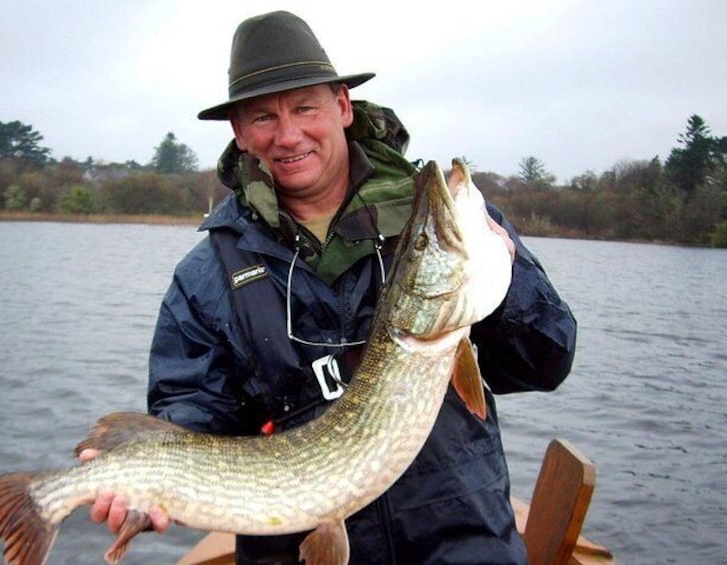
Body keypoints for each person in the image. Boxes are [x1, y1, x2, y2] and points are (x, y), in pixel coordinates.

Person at [82, 10, 576, 564]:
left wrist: (508, 291)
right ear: (240, 133)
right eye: (264, 117)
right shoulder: (206, 277)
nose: (288, 135)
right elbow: (192, 409)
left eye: (305, 107)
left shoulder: (450, 231)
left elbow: (546, 362)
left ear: (342, 106)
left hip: (461, 546)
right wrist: (149, 484)